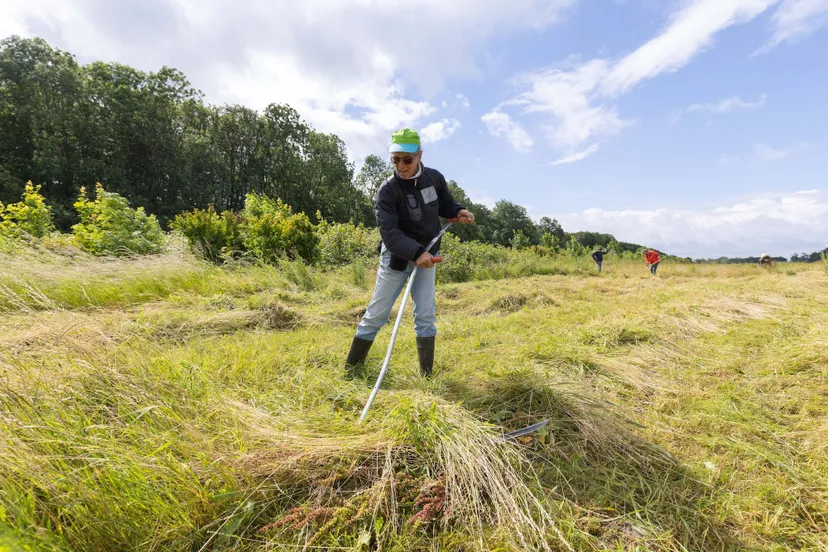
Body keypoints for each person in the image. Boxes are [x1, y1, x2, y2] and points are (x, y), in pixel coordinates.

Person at [344, 128, 475, 379]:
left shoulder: (434, 179)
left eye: (407, 159)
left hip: (427, 257)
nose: (401, 165)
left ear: (419, 156)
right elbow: (389, 233)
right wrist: (415, 253)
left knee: (425, 316)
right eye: (395, 159)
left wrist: (458, 211)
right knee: (376, 315)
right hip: (396, 259)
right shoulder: (387, 191)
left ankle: (427, 379)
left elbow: (445, 204)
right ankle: (351, 373)